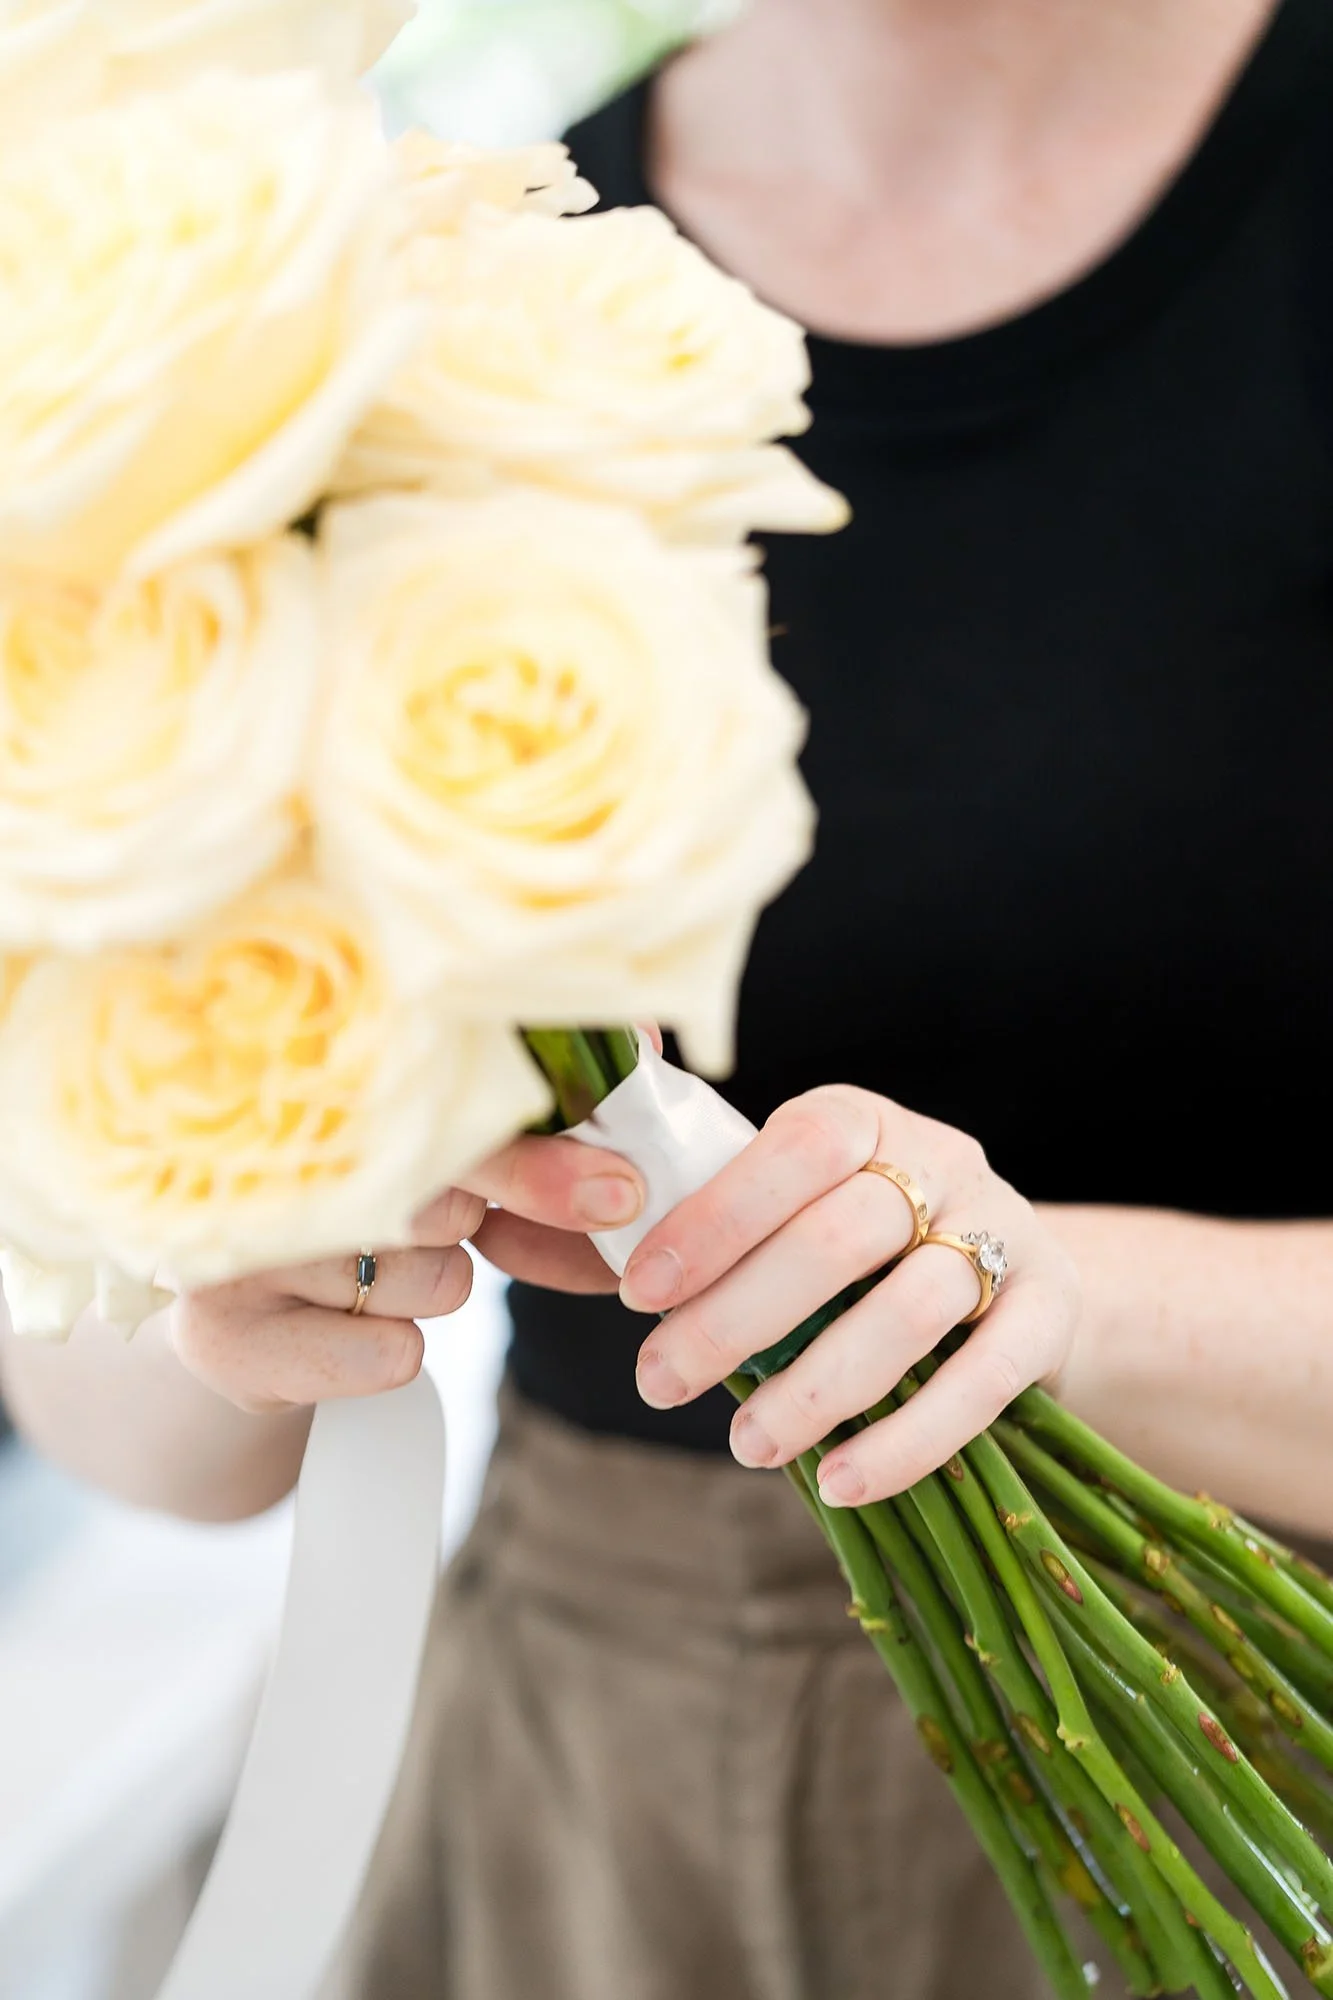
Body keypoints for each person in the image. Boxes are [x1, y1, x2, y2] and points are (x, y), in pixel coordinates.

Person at [5, 0, 1333, 1993]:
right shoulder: (415, 311)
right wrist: (244, 1255)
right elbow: (133, 1416)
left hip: (1235, 1744)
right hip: (585, 1814)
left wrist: (1062, 1303)